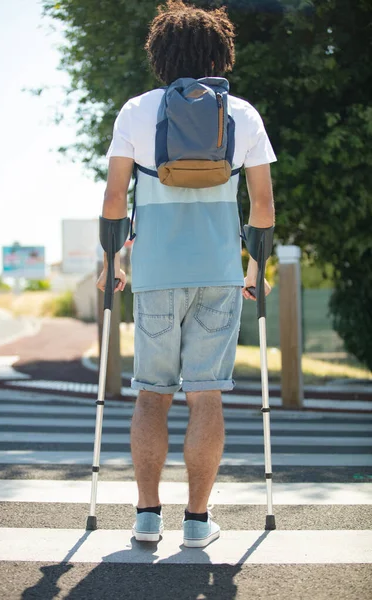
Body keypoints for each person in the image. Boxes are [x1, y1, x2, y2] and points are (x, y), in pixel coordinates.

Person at [97, 0, 276, 548]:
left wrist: (113, 262)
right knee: (207, 395)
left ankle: (147, 517)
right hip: (219, 275)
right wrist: (254, 267)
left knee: (152, 394)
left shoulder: (136, 111)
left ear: (160, 54)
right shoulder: (241, 114)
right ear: (221, 52)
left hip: (154, 273)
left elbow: (113, 197)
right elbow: (262, 206)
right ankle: (197, 522)